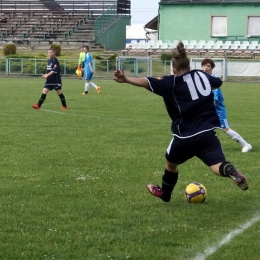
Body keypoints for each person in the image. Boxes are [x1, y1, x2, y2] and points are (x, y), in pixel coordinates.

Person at [113, 42, 248, 203]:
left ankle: (165, 194)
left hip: (184, 136)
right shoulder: (202, 75)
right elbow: (217, 83)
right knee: (217, 165)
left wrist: (126, 79)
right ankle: (231, 170)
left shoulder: (172, 82)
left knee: (170, 163)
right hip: (207, 133)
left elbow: (146, 81)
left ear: (174, 69)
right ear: (189, 67)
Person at [201, 58, 252, 153]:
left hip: (218, 111)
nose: (205, 68)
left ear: (212, 68)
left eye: (208, 66)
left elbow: (214, 102)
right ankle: (209, 148)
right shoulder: (202, 80)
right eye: (204, 66)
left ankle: (246, 145)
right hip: (209, 111)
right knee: (203, 128)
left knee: (226, 130)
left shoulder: (214, 81)